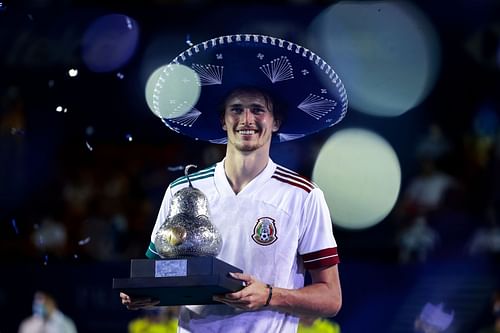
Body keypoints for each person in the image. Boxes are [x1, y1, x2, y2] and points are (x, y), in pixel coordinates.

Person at [121, 33, 348, 332]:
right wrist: (145, 293)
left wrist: (269, 295)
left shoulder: (303, 196)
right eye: (236, 109)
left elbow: (331, 298)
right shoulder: (182, 190)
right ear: (222, 120)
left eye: (258, 109)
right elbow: (159, 273)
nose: (247, 119)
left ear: (275, 122)